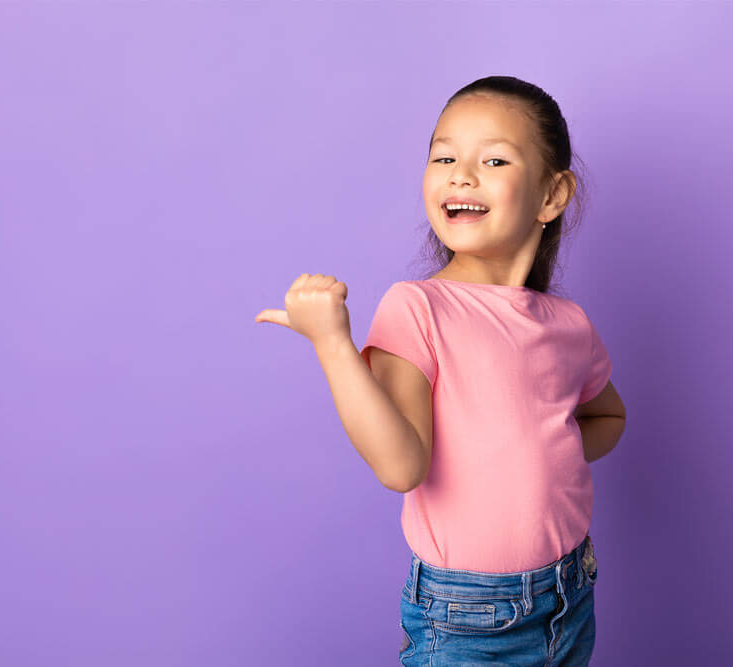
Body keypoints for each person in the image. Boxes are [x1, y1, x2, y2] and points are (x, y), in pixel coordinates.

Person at [254, 75, 627, 665]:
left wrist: (543, 450)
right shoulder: (418, 307)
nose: (460, 174)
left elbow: (607, 414)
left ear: (553, 196)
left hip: (571, 591)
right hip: (469, 615)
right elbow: (401, 466)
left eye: (494, 159)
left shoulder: (568, 322)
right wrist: (332, 343)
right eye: (444, 156)